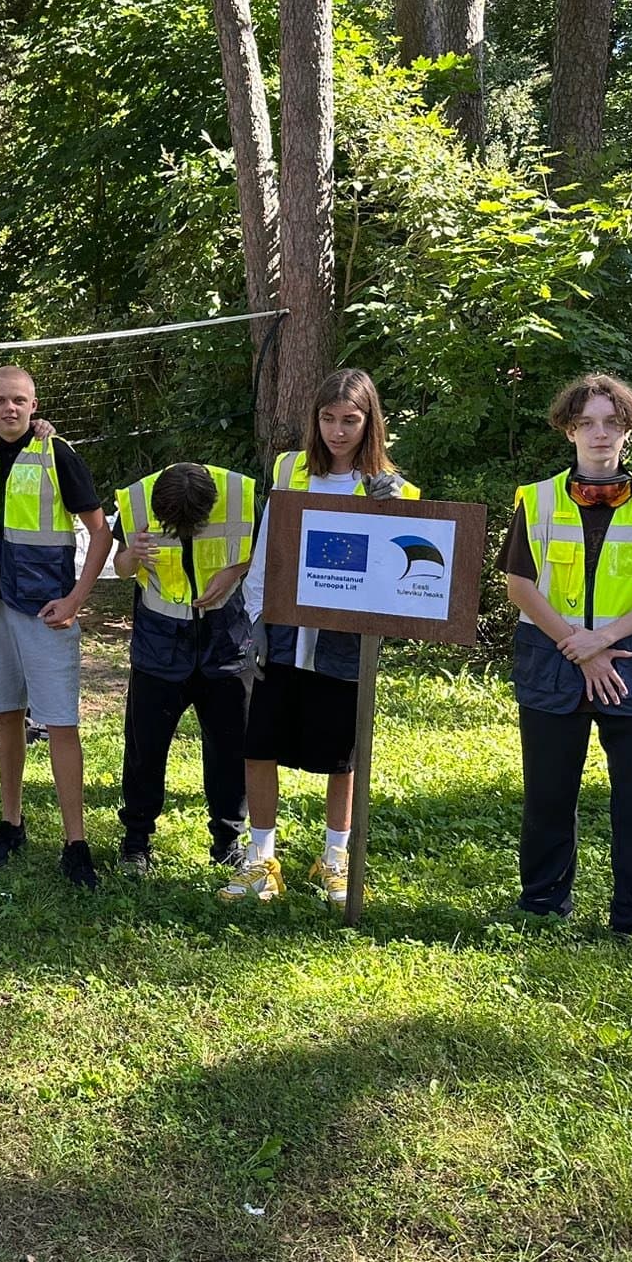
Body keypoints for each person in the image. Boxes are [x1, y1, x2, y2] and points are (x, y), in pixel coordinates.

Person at [502, 373, 632, 950]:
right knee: (548, 793)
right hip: (553, 661)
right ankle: (542, 906)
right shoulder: (535, 500)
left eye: (612, 422)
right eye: (586, 422)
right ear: (568, 429)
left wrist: (602, 639)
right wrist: (577, 645)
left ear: (628, 430)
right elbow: (519, 584)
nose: (600, 433)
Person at [226, 368, 418, 906]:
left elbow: (401, 560)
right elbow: (268, 547)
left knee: (342, 755)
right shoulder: (291, 469)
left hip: (343, 640)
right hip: (284, 631)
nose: (338, 431)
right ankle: (261, 860)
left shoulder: (390, 484)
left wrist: (393, 506)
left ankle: (334, 862)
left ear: (369, 422)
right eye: (328, 419)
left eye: (350, 420)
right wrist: (257, 618)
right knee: (260, 744)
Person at [0, 365, 113, 888]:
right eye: (0, 400)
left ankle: (76, 841)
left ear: (34, 404)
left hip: (44, 608)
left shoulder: (57, 452)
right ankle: (11, 823)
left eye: (19, 400)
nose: (10, 408)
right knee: (4, 714)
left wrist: (75, 599)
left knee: (60, 722)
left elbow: (101, 534)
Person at [111, 461, 256, 874]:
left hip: (225, 643)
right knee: (145, 750)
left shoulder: (244, 497)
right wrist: (132, 556)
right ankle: (136, 842)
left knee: (231, 749)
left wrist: (231, 572)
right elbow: (120, 569)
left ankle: (228, 841)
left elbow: (267, 553)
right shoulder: (136, 502)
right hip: (159, 647)